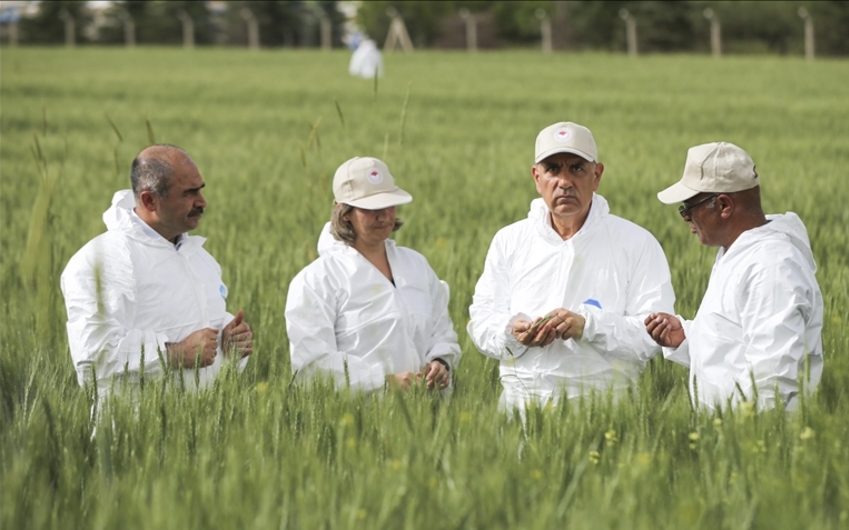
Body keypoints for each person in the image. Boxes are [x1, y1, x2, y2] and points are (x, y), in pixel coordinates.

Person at [467, 121, 676, 410]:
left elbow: (653, 335)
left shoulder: (636, 243)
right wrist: (510, 332)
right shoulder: (510, 241)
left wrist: (588, 326)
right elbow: (481, 320)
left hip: (606, 413)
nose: (564, 181)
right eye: (553, 169)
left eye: (577, 168)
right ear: (536, 177)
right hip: (520, 412)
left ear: (597, 175)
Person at [61, 145, 253, 399]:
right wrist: (174, 355)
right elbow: (93, 361)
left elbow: (198, 336)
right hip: (131, 434)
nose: (202, 202)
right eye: (189, 193)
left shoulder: (200, 259)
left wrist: (229, 341)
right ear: (149, 200)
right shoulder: (102, 261)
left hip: (204, 428)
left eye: (200, 190)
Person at [645, 142, 823, 412]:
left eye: (689, 207)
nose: (686, 218)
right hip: (727, 441)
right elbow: (735, 344)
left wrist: (747, 448)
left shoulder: (771, 268)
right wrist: (686, 338)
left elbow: (773, 384)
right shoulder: (738, 251)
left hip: (752, 444)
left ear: (724, 205)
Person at [285, 156, 460, 392]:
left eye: (389, 205)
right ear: (344, 212)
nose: (384, 216)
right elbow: (312, 366)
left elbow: (442, 331)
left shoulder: (417, 265)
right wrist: (384, 383)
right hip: (356, 422)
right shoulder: (316, 281)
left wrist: (441, 362)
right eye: (371, 209)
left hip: (426, 419)